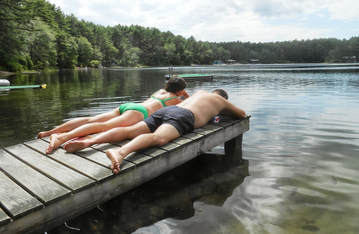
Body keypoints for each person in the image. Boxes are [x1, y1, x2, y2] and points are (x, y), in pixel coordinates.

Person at [63, 89, 246, 174]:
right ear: (222, 96)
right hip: (183, 117)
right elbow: (241, 114)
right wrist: (223, 108)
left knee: (130, 130)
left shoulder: (199, 92)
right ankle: (120, 152)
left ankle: (89, 142)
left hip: (167, 111)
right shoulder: (220, 100)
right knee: (158, 138)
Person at [42, 76, 190, 153]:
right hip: (140, 113)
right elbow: (190, 103)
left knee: (91, 119)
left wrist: (180, 90)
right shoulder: (176, 100)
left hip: (130, 106)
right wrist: (184, 94)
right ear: (180, 90)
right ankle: (62, 137)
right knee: (103, 126)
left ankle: (51, 132)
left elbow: (174, 91)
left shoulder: (160, 91)